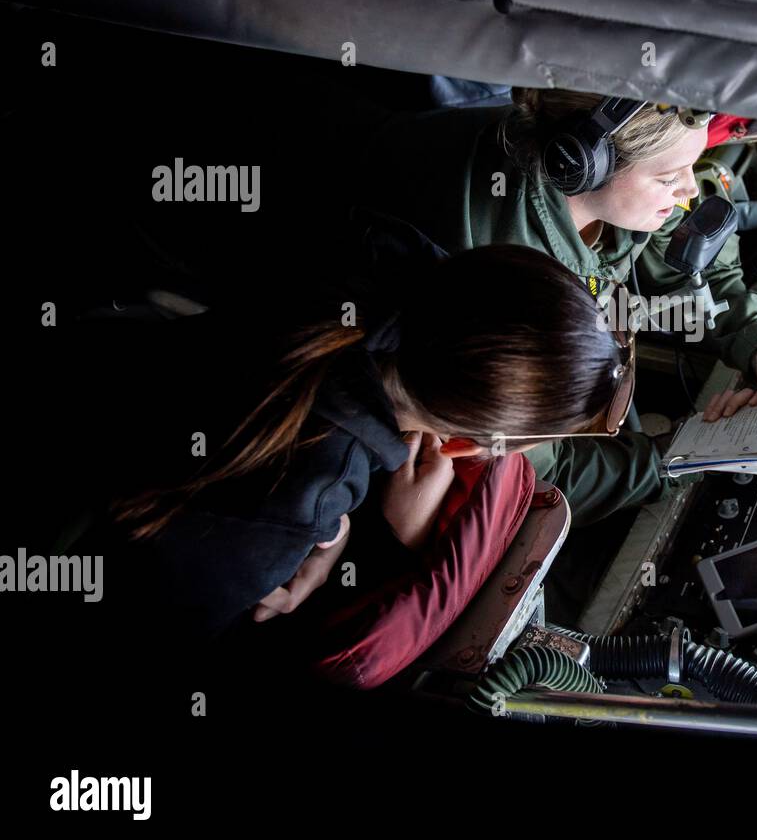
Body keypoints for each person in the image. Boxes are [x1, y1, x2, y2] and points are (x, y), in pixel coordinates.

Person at [54, 212, 627, 644]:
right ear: (458, 444)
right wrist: (343, 536)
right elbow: (161, 619)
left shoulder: (378, 245)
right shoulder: (299, 496)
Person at [360, 89, 757, 527]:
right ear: (580, 165)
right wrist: (689, 453)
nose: (689, 190)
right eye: (668, 178)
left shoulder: (608, 182)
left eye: (694, 164)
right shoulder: (502, 285)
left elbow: (697, 262)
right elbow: (539, 478)